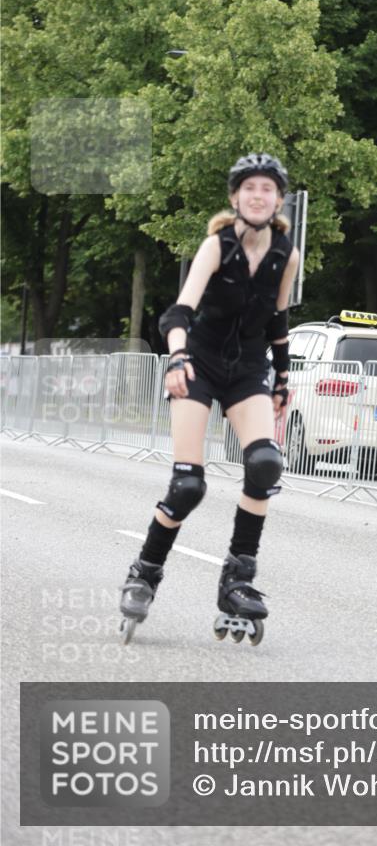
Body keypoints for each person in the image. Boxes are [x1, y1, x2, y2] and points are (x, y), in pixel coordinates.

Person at [119, 153, 299, 644]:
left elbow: (278, 325)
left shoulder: (287, 253)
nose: (258, 196)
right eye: (249, 188)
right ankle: (145, 572)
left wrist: (282, 378)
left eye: (267, 188)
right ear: (235, 198)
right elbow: (176, 313)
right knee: (187, 487)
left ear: (279, 199)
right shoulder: (216, 246)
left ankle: (237, 580)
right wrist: (177, 359)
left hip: (246, 369)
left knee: (264, 465)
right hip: (197, 365)